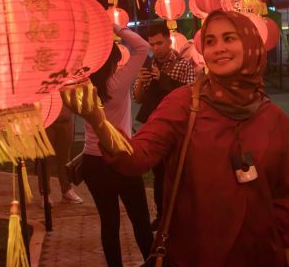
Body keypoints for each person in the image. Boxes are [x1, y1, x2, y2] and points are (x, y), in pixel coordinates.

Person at [64, 11, 289, 267]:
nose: (218, 48)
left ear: (251, 45)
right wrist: (98, 121)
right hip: (197, 251)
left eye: (228, 38)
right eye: (210, 41)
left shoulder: (273, 118)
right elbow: (137, 157)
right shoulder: (184, 103)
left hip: (260, 252)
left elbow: (283, 194)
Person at [82, 24, 154, 267]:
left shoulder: (84, 86)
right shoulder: (117, 83)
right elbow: (142, 47)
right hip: (121, 157)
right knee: (140, 220)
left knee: (109, 222)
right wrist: (113, 27)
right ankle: (152, 262)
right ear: (114, 60)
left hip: (92, 161)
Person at [132, 24, 195, 228]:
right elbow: (138, 99)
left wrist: (163, 79)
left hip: (178, 129)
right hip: (155, 128)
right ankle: (162, 216)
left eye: (159, 43)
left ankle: (182, 215)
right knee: (159, 175)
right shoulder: (148, 66)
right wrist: (142, 82)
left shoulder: (183, 65)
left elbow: (191, 95)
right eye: (152, 45)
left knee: (180, 172)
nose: (156, 48)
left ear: (169, 41)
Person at [36, 105, 83, 206]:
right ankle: (45, 193)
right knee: (46, 159)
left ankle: (66, 191)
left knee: (65, 158)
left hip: (65, 119)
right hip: (46, 121)